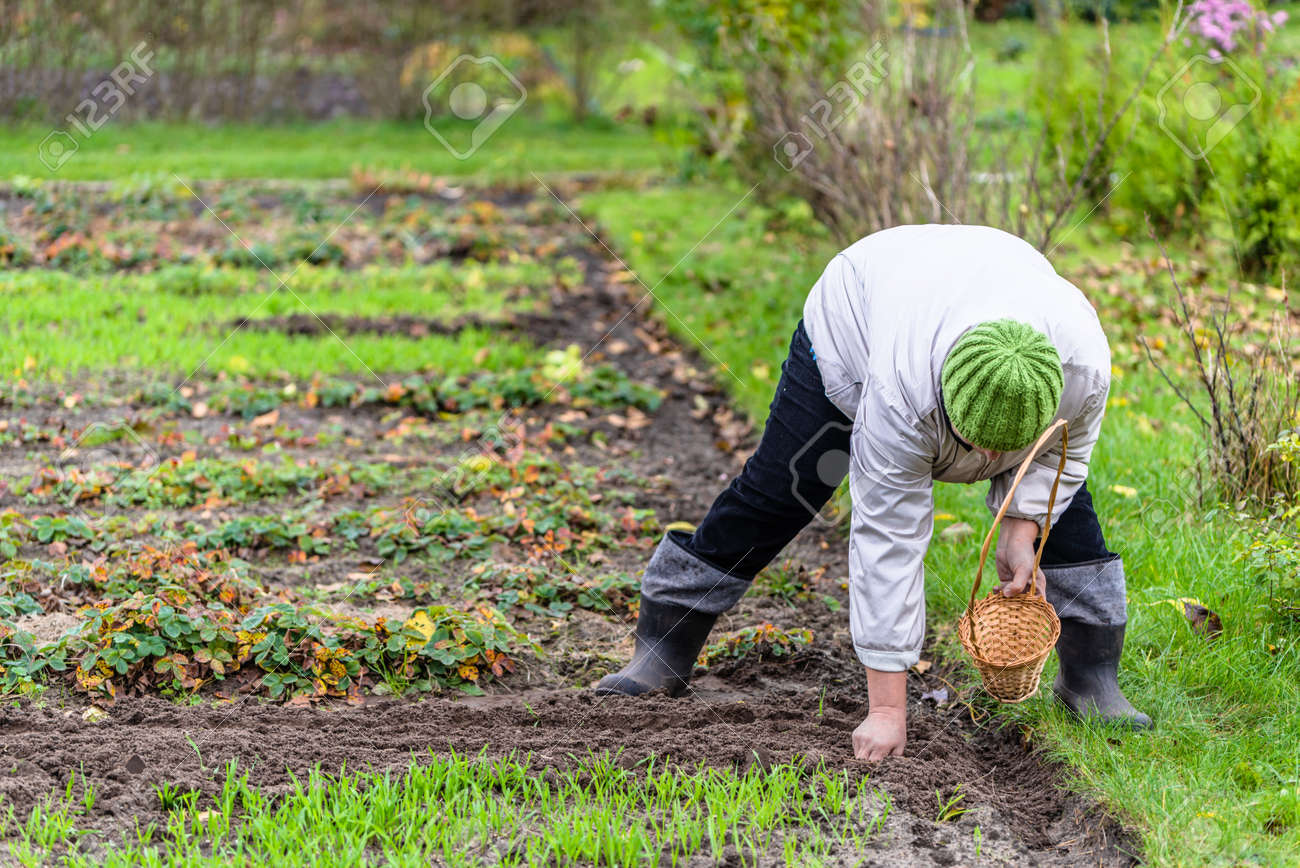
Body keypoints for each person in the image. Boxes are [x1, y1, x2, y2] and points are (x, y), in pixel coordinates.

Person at [596, 224, 1152, 759]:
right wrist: (887, 709)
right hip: (858, 316)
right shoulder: (898, 389)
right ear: (943, 403)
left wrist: (1022, 526)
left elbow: (1064, 455)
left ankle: (1091, 677)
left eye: (1002, 452)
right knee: (789, 487)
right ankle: (669, 630)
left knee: (1066, 507)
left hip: (977, 282)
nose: (986, 464)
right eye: (975, 445)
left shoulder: (1082, 365)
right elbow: (890, 538)